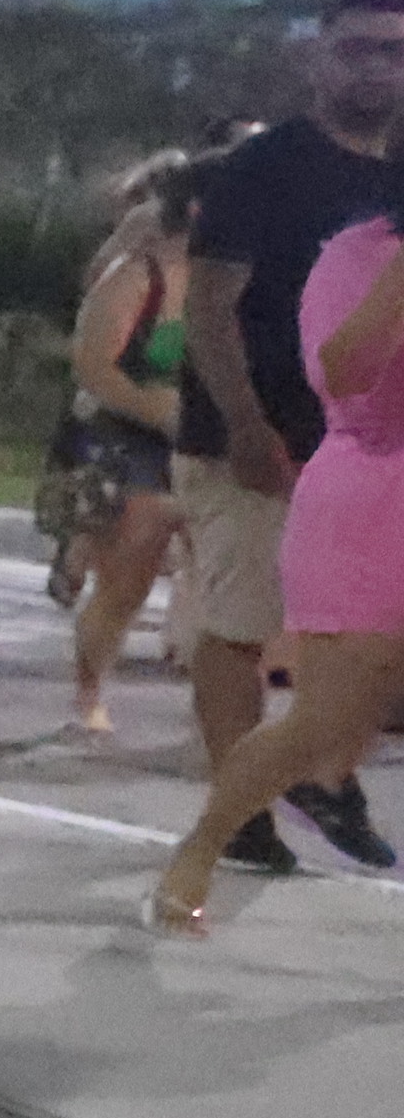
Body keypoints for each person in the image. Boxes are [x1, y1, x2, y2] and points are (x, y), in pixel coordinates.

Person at [170, 0, 404, 869]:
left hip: (368, 457)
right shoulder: (265, 167)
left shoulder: (393, 180)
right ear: (319, 57)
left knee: (358, 648)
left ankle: (319, 775)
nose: (376, 67)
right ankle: (239, 818)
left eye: (394, 51)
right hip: (258, 437)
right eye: (357, 49)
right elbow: (210, 304)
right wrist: (243, 423)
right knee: (242, 625)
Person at [154, 193, 404, 927]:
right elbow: (344, 380)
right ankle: (201, 850)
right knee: (326, 724)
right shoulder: (358, 254)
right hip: (374, 501)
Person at [45, 154, 195, 741]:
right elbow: (94, 365)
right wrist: (157, 409)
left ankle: (221, 712)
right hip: (129, 436)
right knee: (129, 576)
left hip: (210, 441)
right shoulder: (140, 273)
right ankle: (89, 693)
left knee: (227, 578)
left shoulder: (239, 278)